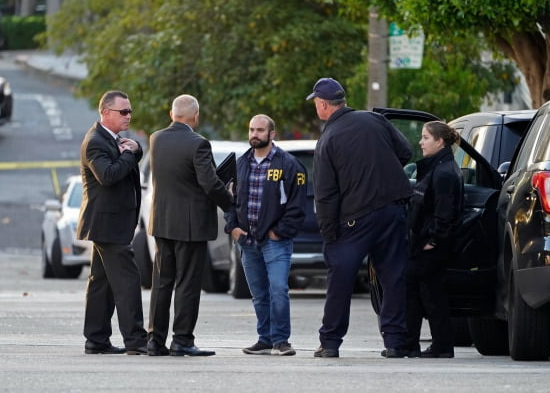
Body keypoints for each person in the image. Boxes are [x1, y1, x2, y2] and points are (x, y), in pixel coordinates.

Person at [307, 77, 414, 358]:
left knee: (340, 280)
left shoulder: (327, 139)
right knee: (393, 277)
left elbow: (326, 194)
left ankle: (330, 343)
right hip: (392, 211)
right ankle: (395, 342)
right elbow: (405, 152)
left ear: (322, 105)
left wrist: (329, 234)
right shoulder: (375, 120)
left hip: (354, 220)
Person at [147, 94, 233, 357]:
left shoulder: (156, 139)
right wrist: (231, 203)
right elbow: (208, 183)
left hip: (162, 222)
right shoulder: (199, 144)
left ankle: (154, 340)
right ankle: (182, 340)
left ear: (172, 114)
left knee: (162, 282)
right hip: (191, 225)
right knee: (187, 283)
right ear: (195, 116)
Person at [224, 114, 307, 356]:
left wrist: (278, 232)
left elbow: (297, 206)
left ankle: (281, 341)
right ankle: (265, 339)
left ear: (272, 134)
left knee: (278, 289)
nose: (254, 134)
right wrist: (233, 228)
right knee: (259, 294)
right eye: (251, 129)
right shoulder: (240, 164)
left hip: (275, 242)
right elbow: (228, 201)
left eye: (260, 130)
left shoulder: (289, 164)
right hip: (247, 242)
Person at [77, 90, 148, 355]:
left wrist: (136, 149)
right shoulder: (95, 141)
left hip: (112, 224)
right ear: (106, 113)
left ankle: (96, 340)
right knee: (128, 281)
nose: (129, 116)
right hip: (108, 225)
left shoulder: (114, 139)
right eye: (124, 112)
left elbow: (127, 160)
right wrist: (130, 154)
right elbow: (107, 175)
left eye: (130, 111)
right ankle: (137, 341)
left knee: (101, 283)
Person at [404, 121, 464, 358]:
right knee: (424, 294)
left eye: (426, 137)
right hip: (424, 242)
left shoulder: (444, 172)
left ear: (440, 141)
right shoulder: (436, 167)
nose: (421, 142)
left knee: (429, 295)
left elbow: (445, 211)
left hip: (431, 245)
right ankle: (418, 344)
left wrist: (434, 240)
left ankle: (435, 345)